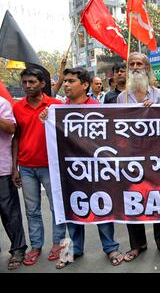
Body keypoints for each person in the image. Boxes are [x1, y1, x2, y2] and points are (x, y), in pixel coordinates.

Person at [45, 67, 123, 269]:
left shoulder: (99, 108)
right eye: (66, 81)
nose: (67, 85)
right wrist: (46, 119)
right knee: (70, 209)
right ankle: (72, 251)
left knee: (102, 208)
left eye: (71, 81)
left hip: (97, 170)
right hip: (70, 170)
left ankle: (111, 248)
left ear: (85, 85)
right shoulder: (57, 110)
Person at [117, 52, 160, 261]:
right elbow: (115, 128)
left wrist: (155, 110)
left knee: (157, 200)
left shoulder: (159, 95)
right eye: (131, 63)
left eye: (139, 63)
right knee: (132, 201)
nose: (134, 67)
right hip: (130, 157)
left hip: (155, 156)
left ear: (147, 67)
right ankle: (137, 245)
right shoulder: (121, 98)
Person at [12, 68, 66, 266]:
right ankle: (36, 246)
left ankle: (58, 243)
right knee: (31, 210)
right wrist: (14, 167)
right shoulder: (17, 108)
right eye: (24, 82)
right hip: (26, 167)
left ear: (43, 83)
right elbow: (16, 137)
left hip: (50, 166)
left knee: (56, 207)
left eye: (32, 82)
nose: (27, 86)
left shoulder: (55, 106)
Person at [0, 96, 27, 270]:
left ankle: (18, 249)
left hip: (2, 168)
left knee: (10, 213)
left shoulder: (2, 103)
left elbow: (11, 129)